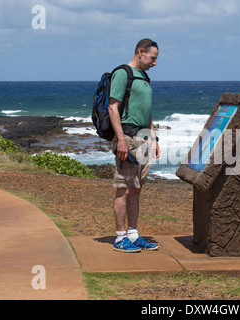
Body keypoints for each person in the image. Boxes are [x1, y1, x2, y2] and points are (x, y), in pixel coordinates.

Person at [108, 39, 160, 253]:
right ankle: (120, 238)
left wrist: (154, 138)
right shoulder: (122, 73)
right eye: (153, 58)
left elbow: (146, 112)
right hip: (128, 139)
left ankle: (133, 234)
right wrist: (120, 139)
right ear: (141, 52)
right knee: (123, 189)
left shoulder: (144, 77)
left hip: (144, 140)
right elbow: (113, 108)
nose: (154, 63)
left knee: (136, 189)